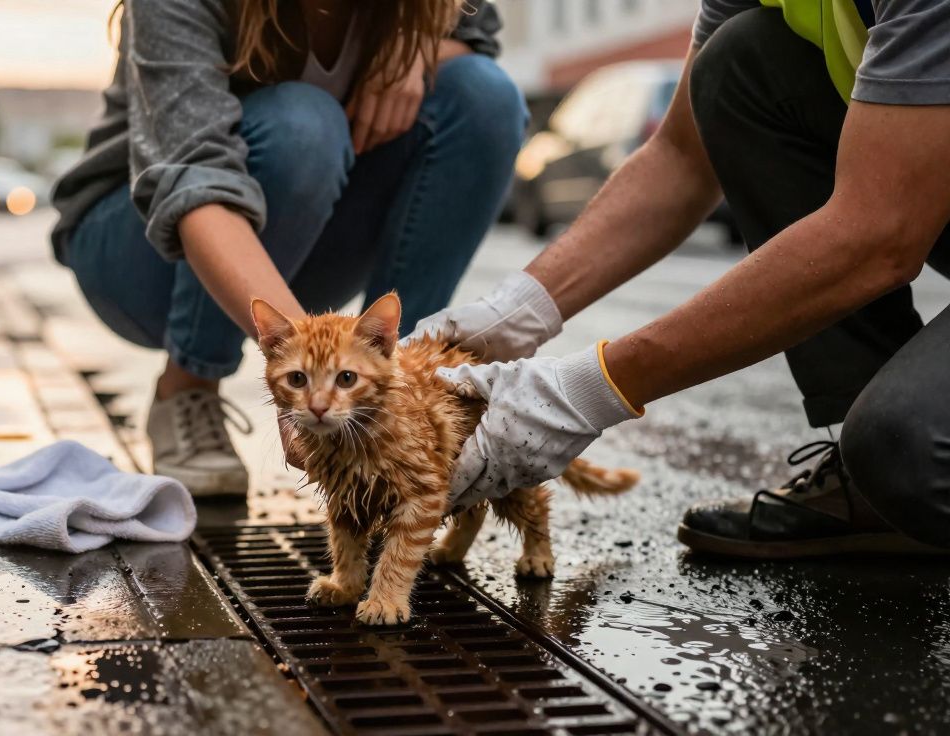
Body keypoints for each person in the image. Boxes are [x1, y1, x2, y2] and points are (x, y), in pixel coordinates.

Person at [418, 0, 950, 558]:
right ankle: (869, 493)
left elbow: (881, 232)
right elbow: (680, 154)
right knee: (739, 62)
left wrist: (584, 390)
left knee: (913, 447)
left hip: (903, 212)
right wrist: (516, 310)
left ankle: (897, 467)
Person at [51, 0, 525, 496]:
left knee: (483, 95)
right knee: (304, 123)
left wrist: (412, 48)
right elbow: (196, 183)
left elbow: (479, 36)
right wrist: (309, 360)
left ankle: (399, 397)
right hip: (137, 255)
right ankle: (188, 388)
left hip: (308, 248)